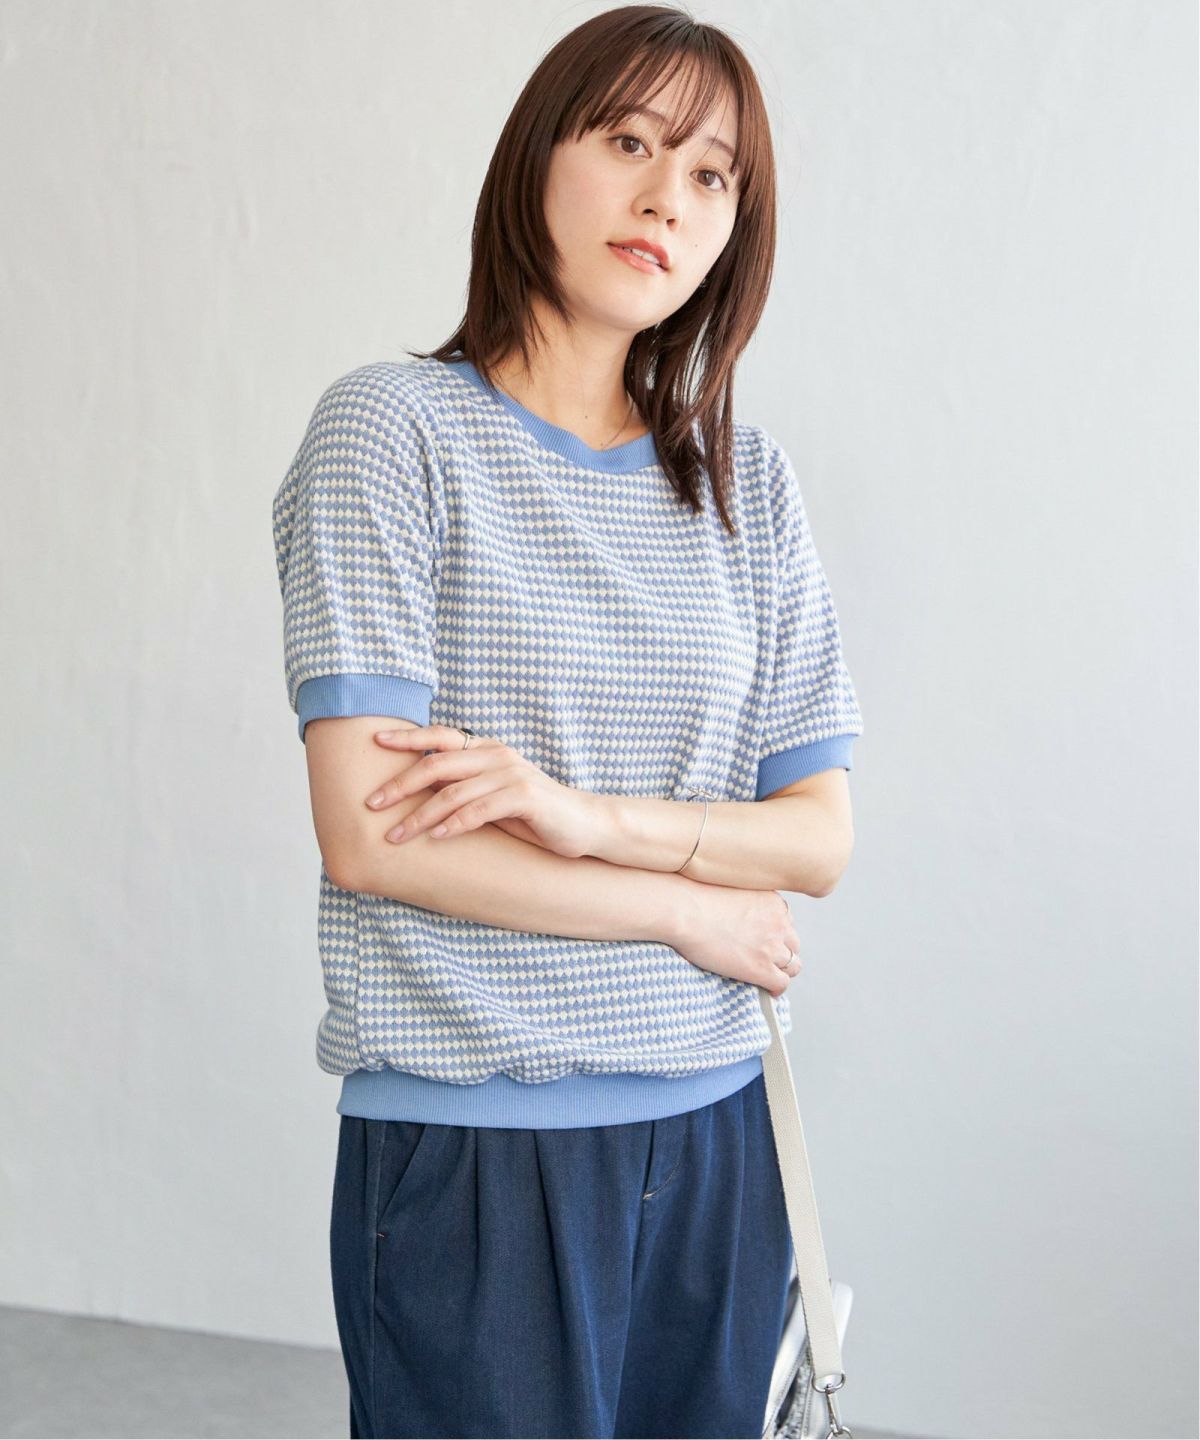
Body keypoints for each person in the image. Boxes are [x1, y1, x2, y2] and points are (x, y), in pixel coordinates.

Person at [271, 5, 864, 1436]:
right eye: (630, 142)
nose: (669, 199)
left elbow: (817, 839)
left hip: (717, 1134)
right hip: (482, 1148)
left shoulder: (746, 482)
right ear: (538, 156)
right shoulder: (393, 432)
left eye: (713, 175)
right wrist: (684, 911)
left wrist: (589, 822)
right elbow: (374, 839)